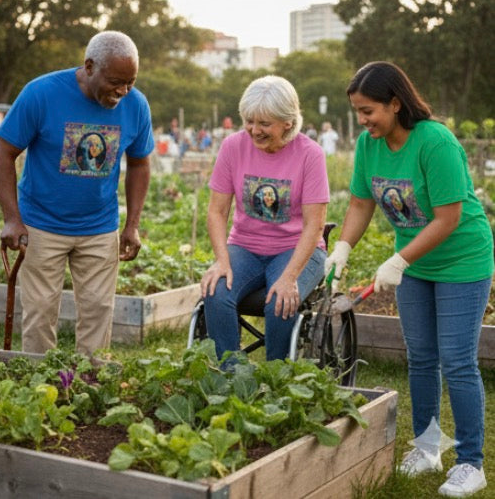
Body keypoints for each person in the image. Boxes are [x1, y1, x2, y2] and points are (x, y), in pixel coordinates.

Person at [327, 62, 493, 498]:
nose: (362, 120)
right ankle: (427, 448)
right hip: (415, 264)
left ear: (396, 103)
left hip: (462, 261)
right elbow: (360, 203)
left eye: (368, 111)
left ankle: (471, 463)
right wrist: (342, 249)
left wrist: (398, 260)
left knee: (457, 360)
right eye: (357, 112)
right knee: (420, 358)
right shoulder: (369, 145)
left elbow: (449, 217)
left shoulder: (435, 142)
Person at [0, 31, 153, 355]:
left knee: (99, 310)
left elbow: (139, 164)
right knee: (40, 312)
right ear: (90, 66)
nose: (122, 92)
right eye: (115, 82)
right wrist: (11, 218)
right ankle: (38, 379)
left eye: (130, 83)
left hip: (99, 226)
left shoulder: (136, 105)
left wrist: (132, 225)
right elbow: (3, 153)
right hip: (41, 224)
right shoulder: (41, 94)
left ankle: (90, 379)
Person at [200, 76, 329, 363]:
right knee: (216, 291)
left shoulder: (310, 155)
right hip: (245, 247)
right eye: (249, 121)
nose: (254, 130)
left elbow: (315, 225)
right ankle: (230, 375)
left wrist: (290, 277)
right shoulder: (233, 147)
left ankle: (276, 375)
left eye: (264, 124)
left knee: (280, 301)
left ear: (288, 122)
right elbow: (217, 211)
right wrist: (222, 260)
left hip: (296, 249)